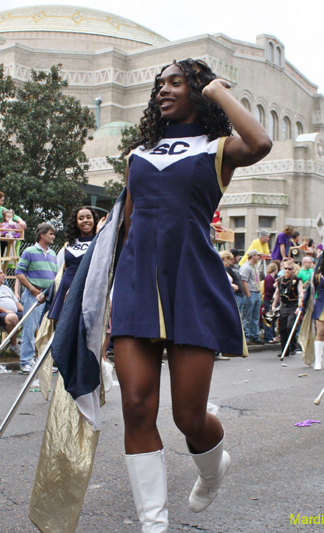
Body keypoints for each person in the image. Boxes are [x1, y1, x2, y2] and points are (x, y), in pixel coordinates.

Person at [110, 58, 272, 531]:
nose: (163, 90)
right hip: (137, 286)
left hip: (192, 285)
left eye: (175, 83)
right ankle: (153, 524)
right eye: (160, 84)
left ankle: (212, 468)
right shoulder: (137, 156)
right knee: (136, 406)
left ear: (197, 91)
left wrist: (218, 92)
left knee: (188, 417)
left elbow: (260, 143)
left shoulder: (218, 149)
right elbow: (126, 228)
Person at [15, 222, 57, 374]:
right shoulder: (29, 251)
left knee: (47, 330)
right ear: (42, 234)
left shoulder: (52, 254)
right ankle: (26, 361)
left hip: (49, 297)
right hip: (35, 295)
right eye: (51, 233)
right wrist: (32, 289)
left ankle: (44, 361)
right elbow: (19, 272)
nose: (53, 237)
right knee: (30, 328)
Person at [49, 206, 100, 322]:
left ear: (94, 221)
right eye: (81, 218)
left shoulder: (99, 242)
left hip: (87, 289)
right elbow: (63, 270)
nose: (85, 220)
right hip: (66, 288)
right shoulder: (69, 245)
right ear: (76, 223)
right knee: (62, 329)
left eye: (88, 217)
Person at [0, 266, 23, 357]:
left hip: (11, 313)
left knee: (31, 315)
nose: (4, 275)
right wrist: (5, 310)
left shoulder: (6, 288)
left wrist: (27, 311)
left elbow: (17, 304)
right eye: (0, 273)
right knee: (13, 317)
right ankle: (14, 345)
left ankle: (26, 343)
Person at [272, 259, 303, 356]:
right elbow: (277, 293)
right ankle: (284, 350)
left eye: (290, 269)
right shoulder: (280, 280)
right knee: (282, 329)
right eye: (286, 268)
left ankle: (293, 346)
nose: (287, 270)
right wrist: (273, 305)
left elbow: (301, 294)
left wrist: (299, 306)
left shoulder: (297, 280)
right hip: (283, 306)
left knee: (290, 327)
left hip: (293, 306)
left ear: (293, 270)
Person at [239, 249, 262, 344]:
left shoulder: (254, 267)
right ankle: (246, 336)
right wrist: (248, 294)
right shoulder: (245, 267)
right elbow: (243, 281)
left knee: (255, 316)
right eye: (257, 255)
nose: (259, 257)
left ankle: (254, 335)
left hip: (256, 292)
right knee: (247, 316)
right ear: (253, 256)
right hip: (251, 292)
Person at [261, 262, 278, 343]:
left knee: (272, 319)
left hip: (271, 299)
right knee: (269, 318)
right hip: (269, 299)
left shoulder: (271, 277)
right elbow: (269, 288)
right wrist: (276, 284)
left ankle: (272, 336)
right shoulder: (269, 277)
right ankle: (268, 337)